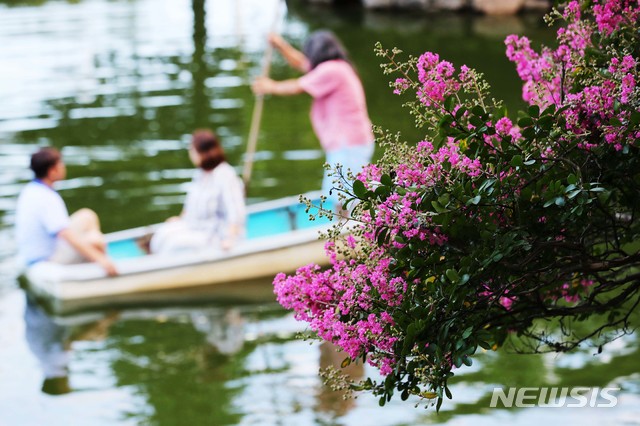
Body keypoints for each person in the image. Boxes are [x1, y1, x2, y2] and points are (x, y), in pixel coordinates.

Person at [251, 30, 375, 199]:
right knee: (340, 193)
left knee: (343, 197)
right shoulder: (334, 67)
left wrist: (270, 86)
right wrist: (280, 45)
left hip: (348, 145)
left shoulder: (332, 69)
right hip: (349, 144)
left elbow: (297, 87)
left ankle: (351, 224)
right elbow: (300, 62)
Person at [15, 147, 118, 276]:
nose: (64, 167)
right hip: (47, 260)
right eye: (61, 164)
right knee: (94, 240)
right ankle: (105, 267)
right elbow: (65, 234)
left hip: (35, 253)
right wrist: (100, 259)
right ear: (52, 171)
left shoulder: (30, 190)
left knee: (87, 216)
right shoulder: (47, 197)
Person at [149, 129, 246, 254]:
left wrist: (230, 239)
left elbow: (236, 213)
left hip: (216, 235)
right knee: (161, 234)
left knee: (173, 244)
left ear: (202, 152)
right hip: (196, 227)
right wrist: (180, 218)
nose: (190, 153)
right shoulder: (200, 174)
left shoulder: (226, 175)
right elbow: (191, 205)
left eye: (192, 150)